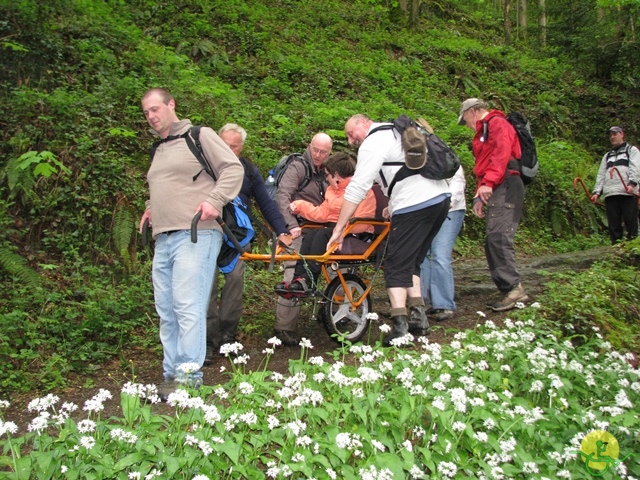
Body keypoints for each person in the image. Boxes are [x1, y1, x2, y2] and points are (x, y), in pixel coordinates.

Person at [139, 88, 244, 400]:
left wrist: (214, 200)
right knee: (167, 309)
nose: (151, 116)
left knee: (187, 305)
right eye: (146, 112)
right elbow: (164, 185)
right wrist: (151, 206)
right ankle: (171, 376)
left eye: (155, 109)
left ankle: (187, 378)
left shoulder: (199, 136)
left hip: (197, 233)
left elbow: (232, 169)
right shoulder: (158, 149)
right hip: (164, 238)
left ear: (171, 105)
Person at [328, 114, 451, 346]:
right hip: (439, 199)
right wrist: (393, 205)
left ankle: (400, 328)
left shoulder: (373, 142)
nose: (350, 140)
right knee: (411, 260)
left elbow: (357, 188)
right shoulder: (398, 132)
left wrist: (340, 227)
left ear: (363, 122)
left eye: (350, 133)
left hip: (414, 204)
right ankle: (418, 318)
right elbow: (402, 173)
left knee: (394, 263)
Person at [205, 123, 293, 363]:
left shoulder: (248, 170)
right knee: (207, 285)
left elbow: (266, 202)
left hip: (236, 235)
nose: (227, 150)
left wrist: (282, 230)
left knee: (234, 282)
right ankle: (206, 341)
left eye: (233, 146)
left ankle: (228, 337)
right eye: (223, 145)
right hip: (208, 230)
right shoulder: (205, 166)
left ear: (241, 148)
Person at [457, 97, 529, 312]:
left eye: (466, 119)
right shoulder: (482, 133)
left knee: (498, 236)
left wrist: (488, 183)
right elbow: (484, 164)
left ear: (473, 111)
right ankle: (508, 287)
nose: (467, 125)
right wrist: (480, 194)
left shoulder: (497, 123)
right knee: (492, 237)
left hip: (506, 182)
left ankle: (514, 288)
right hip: (497, 184)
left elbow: (501, 154)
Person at [275, 152, 376, 297]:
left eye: (327, 174)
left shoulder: (364, 192)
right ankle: (299, 278)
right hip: (334, 229)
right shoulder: (332, 191)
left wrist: (342, 228)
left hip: (355, 233)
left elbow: (363, 221)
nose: (326, 178)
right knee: (310, 235)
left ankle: (309, 280)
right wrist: (300, 206)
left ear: (336, 175)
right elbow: (323, 214)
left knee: (321, 234)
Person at [273, 133, 333, 346]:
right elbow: (282, 196)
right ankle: (284, 328)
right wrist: (291, 226)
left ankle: (337, 314)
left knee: (337, 267)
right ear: (309, 146)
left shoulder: (328, 169)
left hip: (321, 228)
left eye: (323, 152)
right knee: (293, 271)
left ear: (329, 152)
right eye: (315, 150)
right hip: (297, 227)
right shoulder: (298, 167)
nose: (318, 155)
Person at [419, 165, 466, 323]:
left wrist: (449, 201)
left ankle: (444, 303)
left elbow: (457, 181)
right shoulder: (413, 158)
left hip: (450, 209)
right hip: (425, 210)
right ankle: (422, 301)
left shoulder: (445, 158)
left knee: (440, 254)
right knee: (421, 254)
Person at [590, 126, 640, 244]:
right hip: (610, 193)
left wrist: (632, 184)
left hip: (627, 192)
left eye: (615, 134)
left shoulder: (631, 150)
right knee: (613, 223)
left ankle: (632, 248)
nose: (612, 137)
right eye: (610, 135)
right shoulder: (607, 156)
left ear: (622, 134)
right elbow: (601, 174)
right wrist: (597, 192)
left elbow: (636, 168)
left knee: (630, 221)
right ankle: (615, 248)